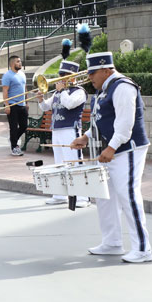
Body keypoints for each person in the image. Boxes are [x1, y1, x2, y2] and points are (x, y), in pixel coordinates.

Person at [71, 44, 152, 263]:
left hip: (127, 149)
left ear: (106, 70)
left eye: (92, 73)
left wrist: (111, 148)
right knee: (105, 197)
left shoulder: (122, 87)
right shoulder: (104, 89)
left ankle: (143, 249)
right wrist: (86, 137)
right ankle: (112, 242)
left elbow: (125, 124)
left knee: (129, 196)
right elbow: (101, 119)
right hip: (112, 149)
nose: (89, 78)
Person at [40, 37, 89, 208]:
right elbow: (46, 107)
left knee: (74, 162)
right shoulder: (58, 92)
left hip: (71, 130)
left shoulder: (79, 92)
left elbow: (69, 104)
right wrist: (41, 98)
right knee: (59, 163)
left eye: (64, 76)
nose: (60, 79)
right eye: (60, 76)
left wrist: (62, 91)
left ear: (72, 77)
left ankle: (83, 197)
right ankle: (59, 194)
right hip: (57, 129)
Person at [1, 55, 28, 156]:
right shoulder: (7, 75)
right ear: (12, 64)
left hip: (22, 104)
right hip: (12, 105)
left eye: (20, 61)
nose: (20, 63)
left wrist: (27, 103)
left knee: (24, 126)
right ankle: (14, 147)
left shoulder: (22, 74)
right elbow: (5, 91)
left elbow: (25, 88)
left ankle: (13, 138)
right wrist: (6, 105)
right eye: (18, 61)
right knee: (13, 127)